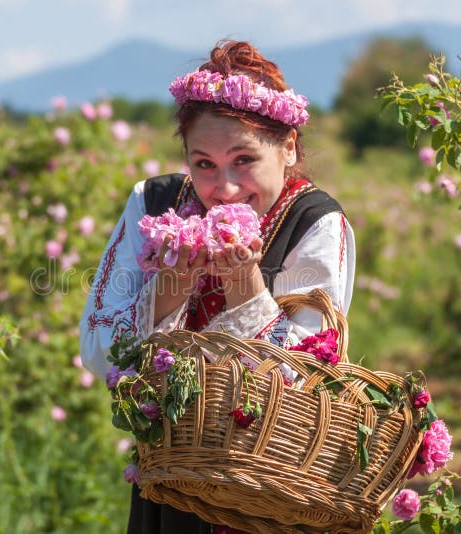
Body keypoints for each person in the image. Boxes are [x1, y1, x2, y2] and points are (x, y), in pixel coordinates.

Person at [79, 40, 356, 534]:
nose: (224, 188)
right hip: (171, 475)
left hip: (269, 480)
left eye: (244, 160)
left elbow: (308, 376)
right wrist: (172, 284)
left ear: (288, 146)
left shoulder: (315, 220)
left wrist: (244, 283)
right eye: (203, 163)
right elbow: (100, 349)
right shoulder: (155, 202)